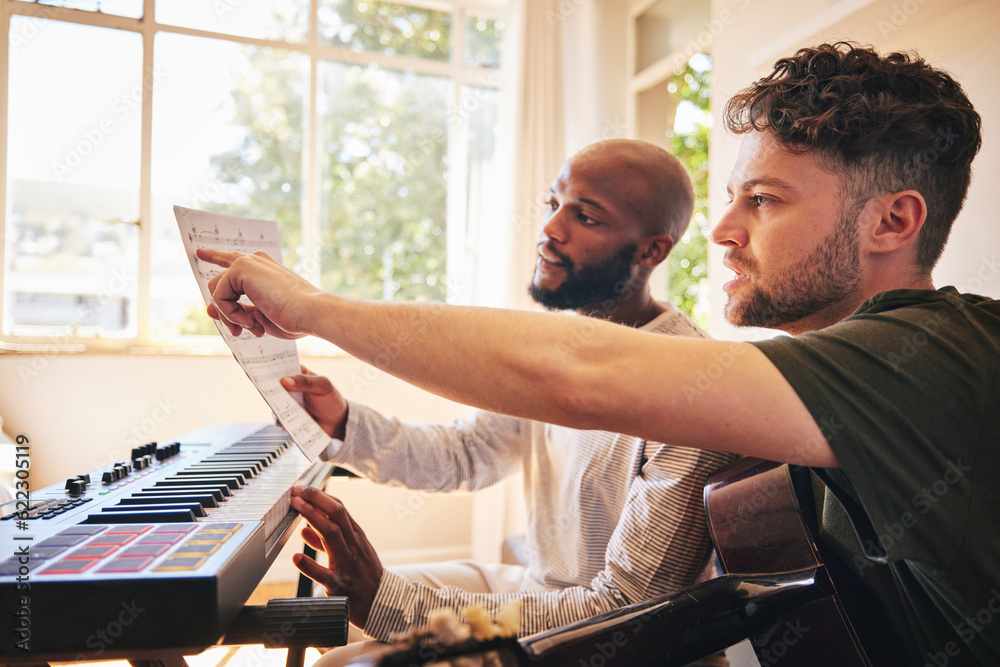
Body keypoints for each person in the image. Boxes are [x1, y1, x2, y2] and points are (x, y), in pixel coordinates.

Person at [199, 42, 999, 666]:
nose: (723, 232)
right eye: (733, 198)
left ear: (892, 222)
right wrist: (351, 428)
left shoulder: (936, 353)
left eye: (764, 200)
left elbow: (580, 379)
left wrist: (312, 307)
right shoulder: (809, 392)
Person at [282, 139, 737, 665]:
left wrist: (386, 599)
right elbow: (467, 453)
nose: (550, 229)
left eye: (585, 217)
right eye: (553, 205)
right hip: (542, 589)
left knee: (343, 662)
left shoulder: (690, 387)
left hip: (611, 643)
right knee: (335, 617)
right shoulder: (552, 349)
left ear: (652, 251)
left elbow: (626, 607)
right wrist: (343, 423)